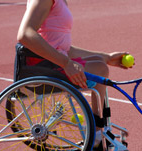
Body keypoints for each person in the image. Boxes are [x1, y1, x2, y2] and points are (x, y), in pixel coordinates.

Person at [17, 0, 131, 148]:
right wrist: (66, 63)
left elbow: (65, 50)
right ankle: (96, 134)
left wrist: (106, 57)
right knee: (100, 68)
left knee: (99, 65)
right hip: (42, 68)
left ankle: (97, 131)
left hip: (51, 65)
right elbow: (25, 34)